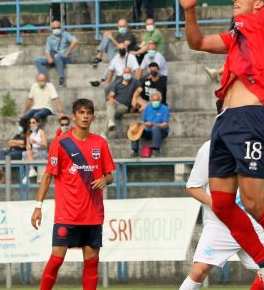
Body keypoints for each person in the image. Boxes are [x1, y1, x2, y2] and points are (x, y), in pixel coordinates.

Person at [174, 0, 264, 289]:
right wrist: (189, 10)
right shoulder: (236, 34)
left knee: (255, 202)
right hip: (225, 122)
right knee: (224, 204)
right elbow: (197, 42)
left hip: (249, 119)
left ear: (258, 2)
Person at [31, 98, 116, 290]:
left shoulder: (100, 143)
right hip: (67, 215)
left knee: (92, 263)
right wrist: (38, 207)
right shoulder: (61, 144)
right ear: (73, 116)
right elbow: (47, 177)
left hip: (93, 215)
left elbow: (110, 176)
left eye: (89, 113)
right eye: (81, 112)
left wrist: (105, 180)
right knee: (56, 260)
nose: (85, 116)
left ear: (93, 117)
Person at [180, 138, 264, 290]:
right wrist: (220, 205)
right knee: (199, 271)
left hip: (254, 222)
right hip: (221, 225)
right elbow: (193, 187)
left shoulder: (251, 144)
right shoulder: (209, 148)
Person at [34, 20, 79, 87]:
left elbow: (75, 41)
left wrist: (68, 51)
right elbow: (47, 50)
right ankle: (44, 80)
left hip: (64, 58)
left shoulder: (65, 34)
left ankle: (61, 79)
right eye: (54, 28)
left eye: (58, 27)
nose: (56, 29)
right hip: (54, 58)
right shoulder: (49, 38)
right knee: (37, 60)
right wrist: (49, 58)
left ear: (61, 28)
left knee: (56, 56)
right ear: (51, 29)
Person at [130, 90, 169, 157]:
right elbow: (143, 121)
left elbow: (165, 124)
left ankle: (156, 150)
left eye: (157, 100)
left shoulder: (164, 108)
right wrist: (141, 124)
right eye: (153, 100)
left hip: (161, 131)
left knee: (155, 128)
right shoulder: (147, 108)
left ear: (160, 99)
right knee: (134, 128)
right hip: (148, 131)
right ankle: (134, 150)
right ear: (150, 100)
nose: (155, 101)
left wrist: (153, 124)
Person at [105, 67, 139, 133]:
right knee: (109, 103)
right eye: (125, 72)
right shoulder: (117, 83)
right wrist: (111, 98)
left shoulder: (134, 82)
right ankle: (110, 122)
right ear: (123, 73)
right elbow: (111, 95)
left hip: (124, 106)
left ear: (131, 73)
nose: (126, 74)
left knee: (110, 113)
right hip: (115, 104)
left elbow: (140, 90)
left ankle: (105, 133)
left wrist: (135, 97)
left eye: (128, 72)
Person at [23, 117, 49, 184]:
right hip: (34, 152)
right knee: (26, 153)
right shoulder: (28, 133)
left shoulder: (41, 132)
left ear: (37, 123)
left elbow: (45, 144)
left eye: (33, 122)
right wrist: (29, 148)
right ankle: (31, 171)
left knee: (27, 155)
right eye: (30, 123)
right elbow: (28, 146)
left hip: (42, 151)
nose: (31, 124)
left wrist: (36, 142)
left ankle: (28, 174)